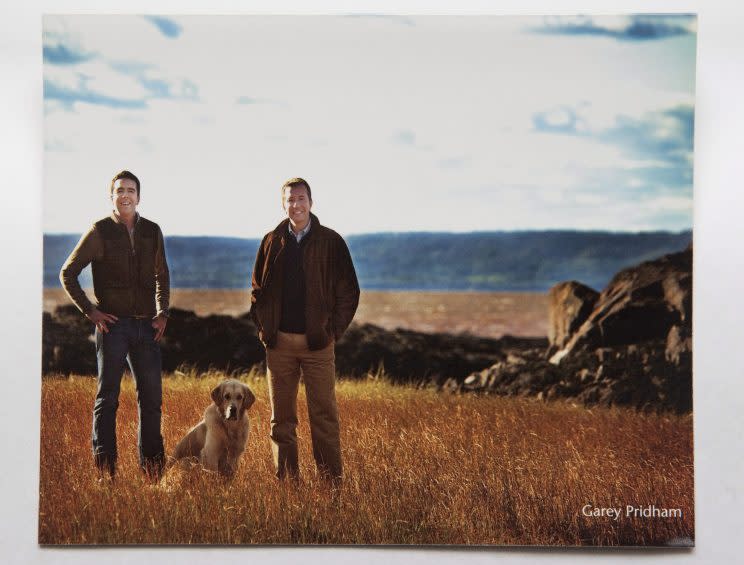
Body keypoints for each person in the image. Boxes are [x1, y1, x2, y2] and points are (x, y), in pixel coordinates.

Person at [59, 170, 170, 481]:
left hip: (147, 328)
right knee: (107, 398)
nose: (126, 195)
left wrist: (163, 313)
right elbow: (68, 273)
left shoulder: (152, 230)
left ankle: (153, 474)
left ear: (138, 196)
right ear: (112, 197)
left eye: (131, 190)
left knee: (151, 400)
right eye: (120, 190)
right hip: (113, 327)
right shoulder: (100, 231)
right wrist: (91, 312)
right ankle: (105, 474)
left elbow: (163, 275)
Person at [250, 177, 359, 483]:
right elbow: (258, 289)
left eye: (301, 199)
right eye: (290, 200)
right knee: (281, 421)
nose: (295, 205)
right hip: (279, 344)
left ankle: (330, 484)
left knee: (323, 417)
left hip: (318, 345)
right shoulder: (272, 240)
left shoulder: (331, 242)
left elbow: (349, 291)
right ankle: (287, 485)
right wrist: (264, 330)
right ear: (283, 204)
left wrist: (331, 332)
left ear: (311, 202)